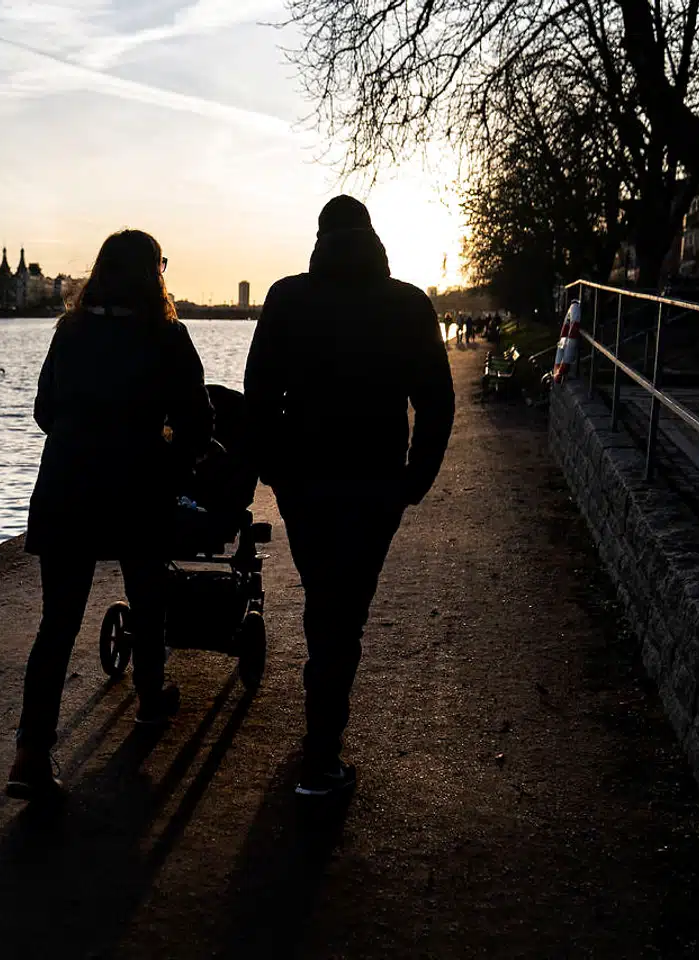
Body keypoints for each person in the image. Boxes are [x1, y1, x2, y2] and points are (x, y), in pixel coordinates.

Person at [244, 196, 455, 798]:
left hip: (306, 484)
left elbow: (257, 397)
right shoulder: (407, 304)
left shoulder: (288, 299)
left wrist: (275, 471)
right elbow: (437, 402)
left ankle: (321, 746)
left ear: (319, 239)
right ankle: (321, 757)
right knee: (345, 613)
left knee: (323, 600)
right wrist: (415, 480)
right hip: (375, 483)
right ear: (372, 238)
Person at [8, 229, 213, 802]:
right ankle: (149, 699)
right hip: (137, 491)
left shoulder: (69, 332)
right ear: (155, 275)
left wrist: (84, 440)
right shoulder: (166, 336)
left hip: (66, 491)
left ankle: (30, 751)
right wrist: (169, 453)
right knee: (148, 597)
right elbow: (199, 426)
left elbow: (44, 411)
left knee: (58, 624)